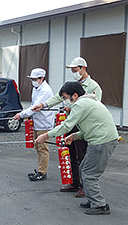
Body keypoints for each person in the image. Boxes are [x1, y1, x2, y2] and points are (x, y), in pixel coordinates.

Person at [35, 81, 118, 215]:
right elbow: (91, 127)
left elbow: (66, 125)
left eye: (66, 97)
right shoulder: (89, 102)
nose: (65, 101)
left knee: (90, 174)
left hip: (102, 141)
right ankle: (92, 199)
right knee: (84, 168)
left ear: (74, 95)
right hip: (100, 139)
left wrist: (45, 135)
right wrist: (74, 136)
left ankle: (99, 204)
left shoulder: (81, 104)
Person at [32, 57, 102, 197]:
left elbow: (94, 106)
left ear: (83, 68)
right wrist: (43, 105)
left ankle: (84, 185)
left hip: (83, 126)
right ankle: (75, 182)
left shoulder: (93, 86)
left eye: (75, 70)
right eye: (72, 71)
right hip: (71, 124)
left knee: (83, 156)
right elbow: (58, 97)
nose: (74, 73)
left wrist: (73, 109)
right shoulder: (72, 85)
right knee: (70, 154)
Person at [13, 68, 55, 181]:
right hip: (37, 122)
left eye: (35, 79)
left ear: (42, 78)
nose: (33, 81)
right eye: (32, 79)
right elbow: (33, 105)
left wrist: (21, 115)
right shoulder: (36, 88)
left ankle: (42, 172)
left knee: (43, 148)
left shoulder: (45, 90)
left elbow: (35, 107)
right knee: (38, 147)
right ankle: (40, 169)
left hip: (44, 123)